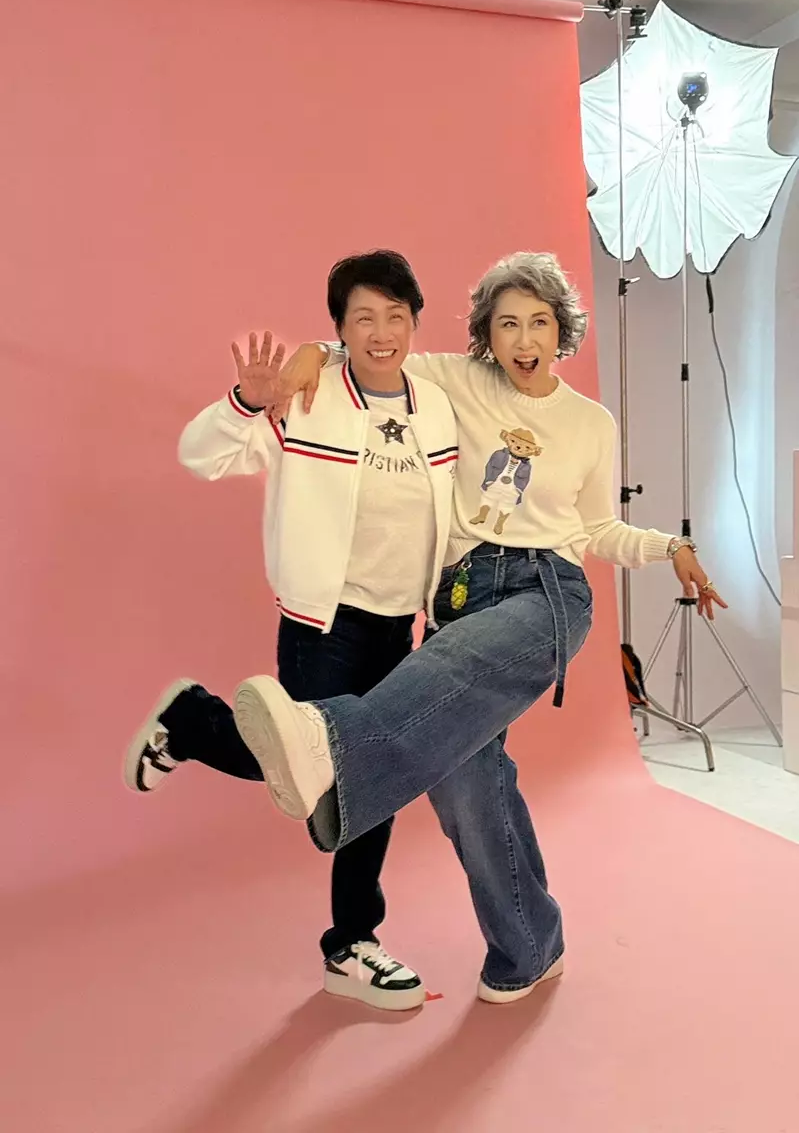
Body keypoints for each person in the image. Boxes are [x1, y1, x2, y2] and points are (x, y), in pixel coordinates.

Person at [230, 251, 726, 1004]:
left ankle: (328, 742)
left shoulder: (589, 423)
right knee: (464, 782)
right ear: (486, 337)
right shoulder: (454, 382)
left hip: (546, 591)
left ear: (560, 331)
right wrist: (314, 353)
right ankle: (530, 945)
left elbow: (596, 528)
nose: (524, 339)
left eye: (539, 322)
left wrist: (669, 547)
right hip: (461, 594)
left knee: (445, 681)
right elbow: (374, 351)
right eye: (507, 324)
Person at [123, 250, 458, 1011]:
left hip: (399, 626)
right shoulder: (303, 397)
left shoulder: (436, 405)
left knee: (370, 778)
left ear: (415, 322)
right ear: (339, 328)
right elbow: (200, 456)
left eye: (396, 316)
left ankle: (352, 945)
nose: (382, 333)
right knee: (305, 766)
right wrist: (247, 401)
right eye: (362, 318)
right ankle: (192, 721)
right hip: (323, 622)